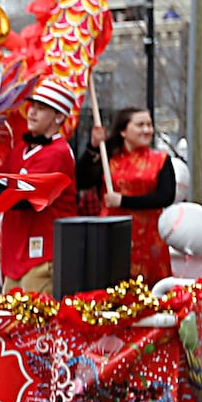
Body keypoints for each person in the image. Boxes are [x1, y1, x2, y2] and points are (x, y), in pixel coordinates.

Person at [0, 78, 78, 295]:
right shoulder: (21, 149)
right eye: (32, 106)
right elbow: (0, 184)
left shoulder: (57, 153)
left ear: (59, 117)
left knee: (36, 327)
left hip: (43, 256)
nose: (32, 113)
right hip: (15, 255)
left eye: (41, 109)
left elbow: (25, 200)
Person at [78, 106, 176, 285]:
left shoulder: (161, 160)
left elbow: (166, 197)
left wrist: (123, 200)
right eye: (140, 125)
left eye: (149, 125)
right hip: (113, 237)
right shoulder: (108, 159)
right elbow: (81, 181)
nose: (147, 130)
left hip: (150, 240)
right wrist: (92, 147)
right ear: (123, 130)